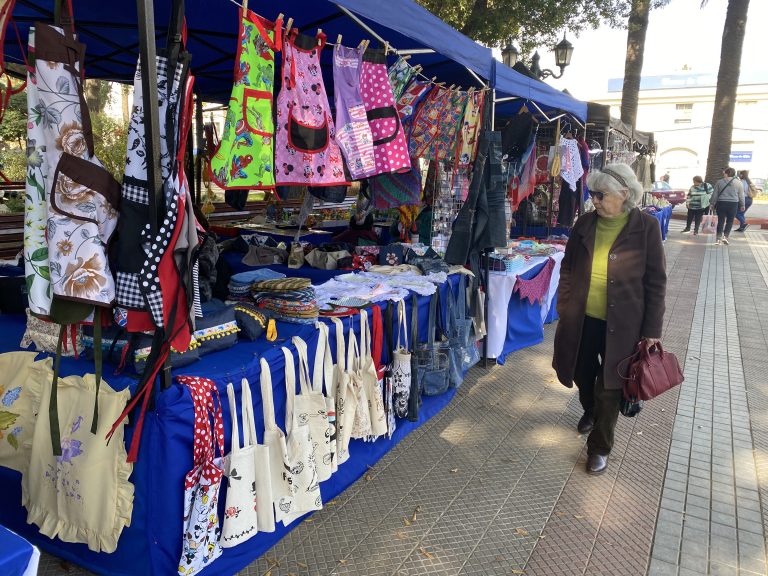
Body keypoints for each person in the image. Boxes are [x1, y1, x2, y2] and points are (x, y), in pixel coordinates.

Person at [552, 163, 667, 476]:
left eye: (601, 195)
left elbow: (656, 281)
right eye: (592, 194)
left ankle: (599, 447)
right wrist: (564, 304)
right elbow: (568, 266)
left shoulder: (645, 226)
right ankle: (592, 409)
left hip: (626, 324)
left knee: (611, 387)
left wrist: (652, 329)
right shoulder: (585, 223)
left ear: (624, 194)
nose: (595, 201)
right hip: (583, 317)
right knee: (579, 371)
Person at [710, 167, 744, 245]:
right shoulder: (739, 183)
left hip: (721, 203)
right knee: (730, 221)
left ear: (727, 173)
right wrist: (742, 205)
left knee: (721, 221)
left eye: (724, 173)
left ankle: (718, 239)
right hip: (733, 204)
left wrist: (712, 203)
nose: (723, 174)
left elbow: (715, 194)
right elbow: (741, 195)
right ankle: (725, 237)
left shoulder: (719, 182)